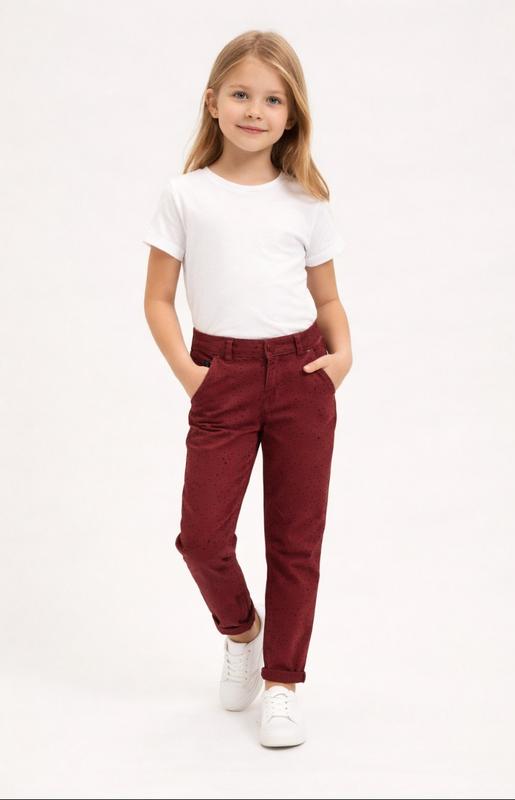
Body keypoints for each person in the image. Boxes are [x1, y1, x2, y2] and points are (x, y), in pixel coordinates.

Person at [142, 29, 353, 748]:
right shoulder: (185, 196)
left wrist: (342, 356)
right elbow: (158, 299)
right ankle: (242, 632)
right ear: (213, 102)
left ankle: (283, 684)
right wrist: (192, 375)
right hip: (221, 377)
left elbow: (327, 298)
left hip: (301, 376)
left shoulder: (306, 201)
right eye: (240, 95)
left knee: (295, 541)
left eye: (272, 100)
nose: (255, 111)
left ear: (291, 115)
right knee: (202, 538)